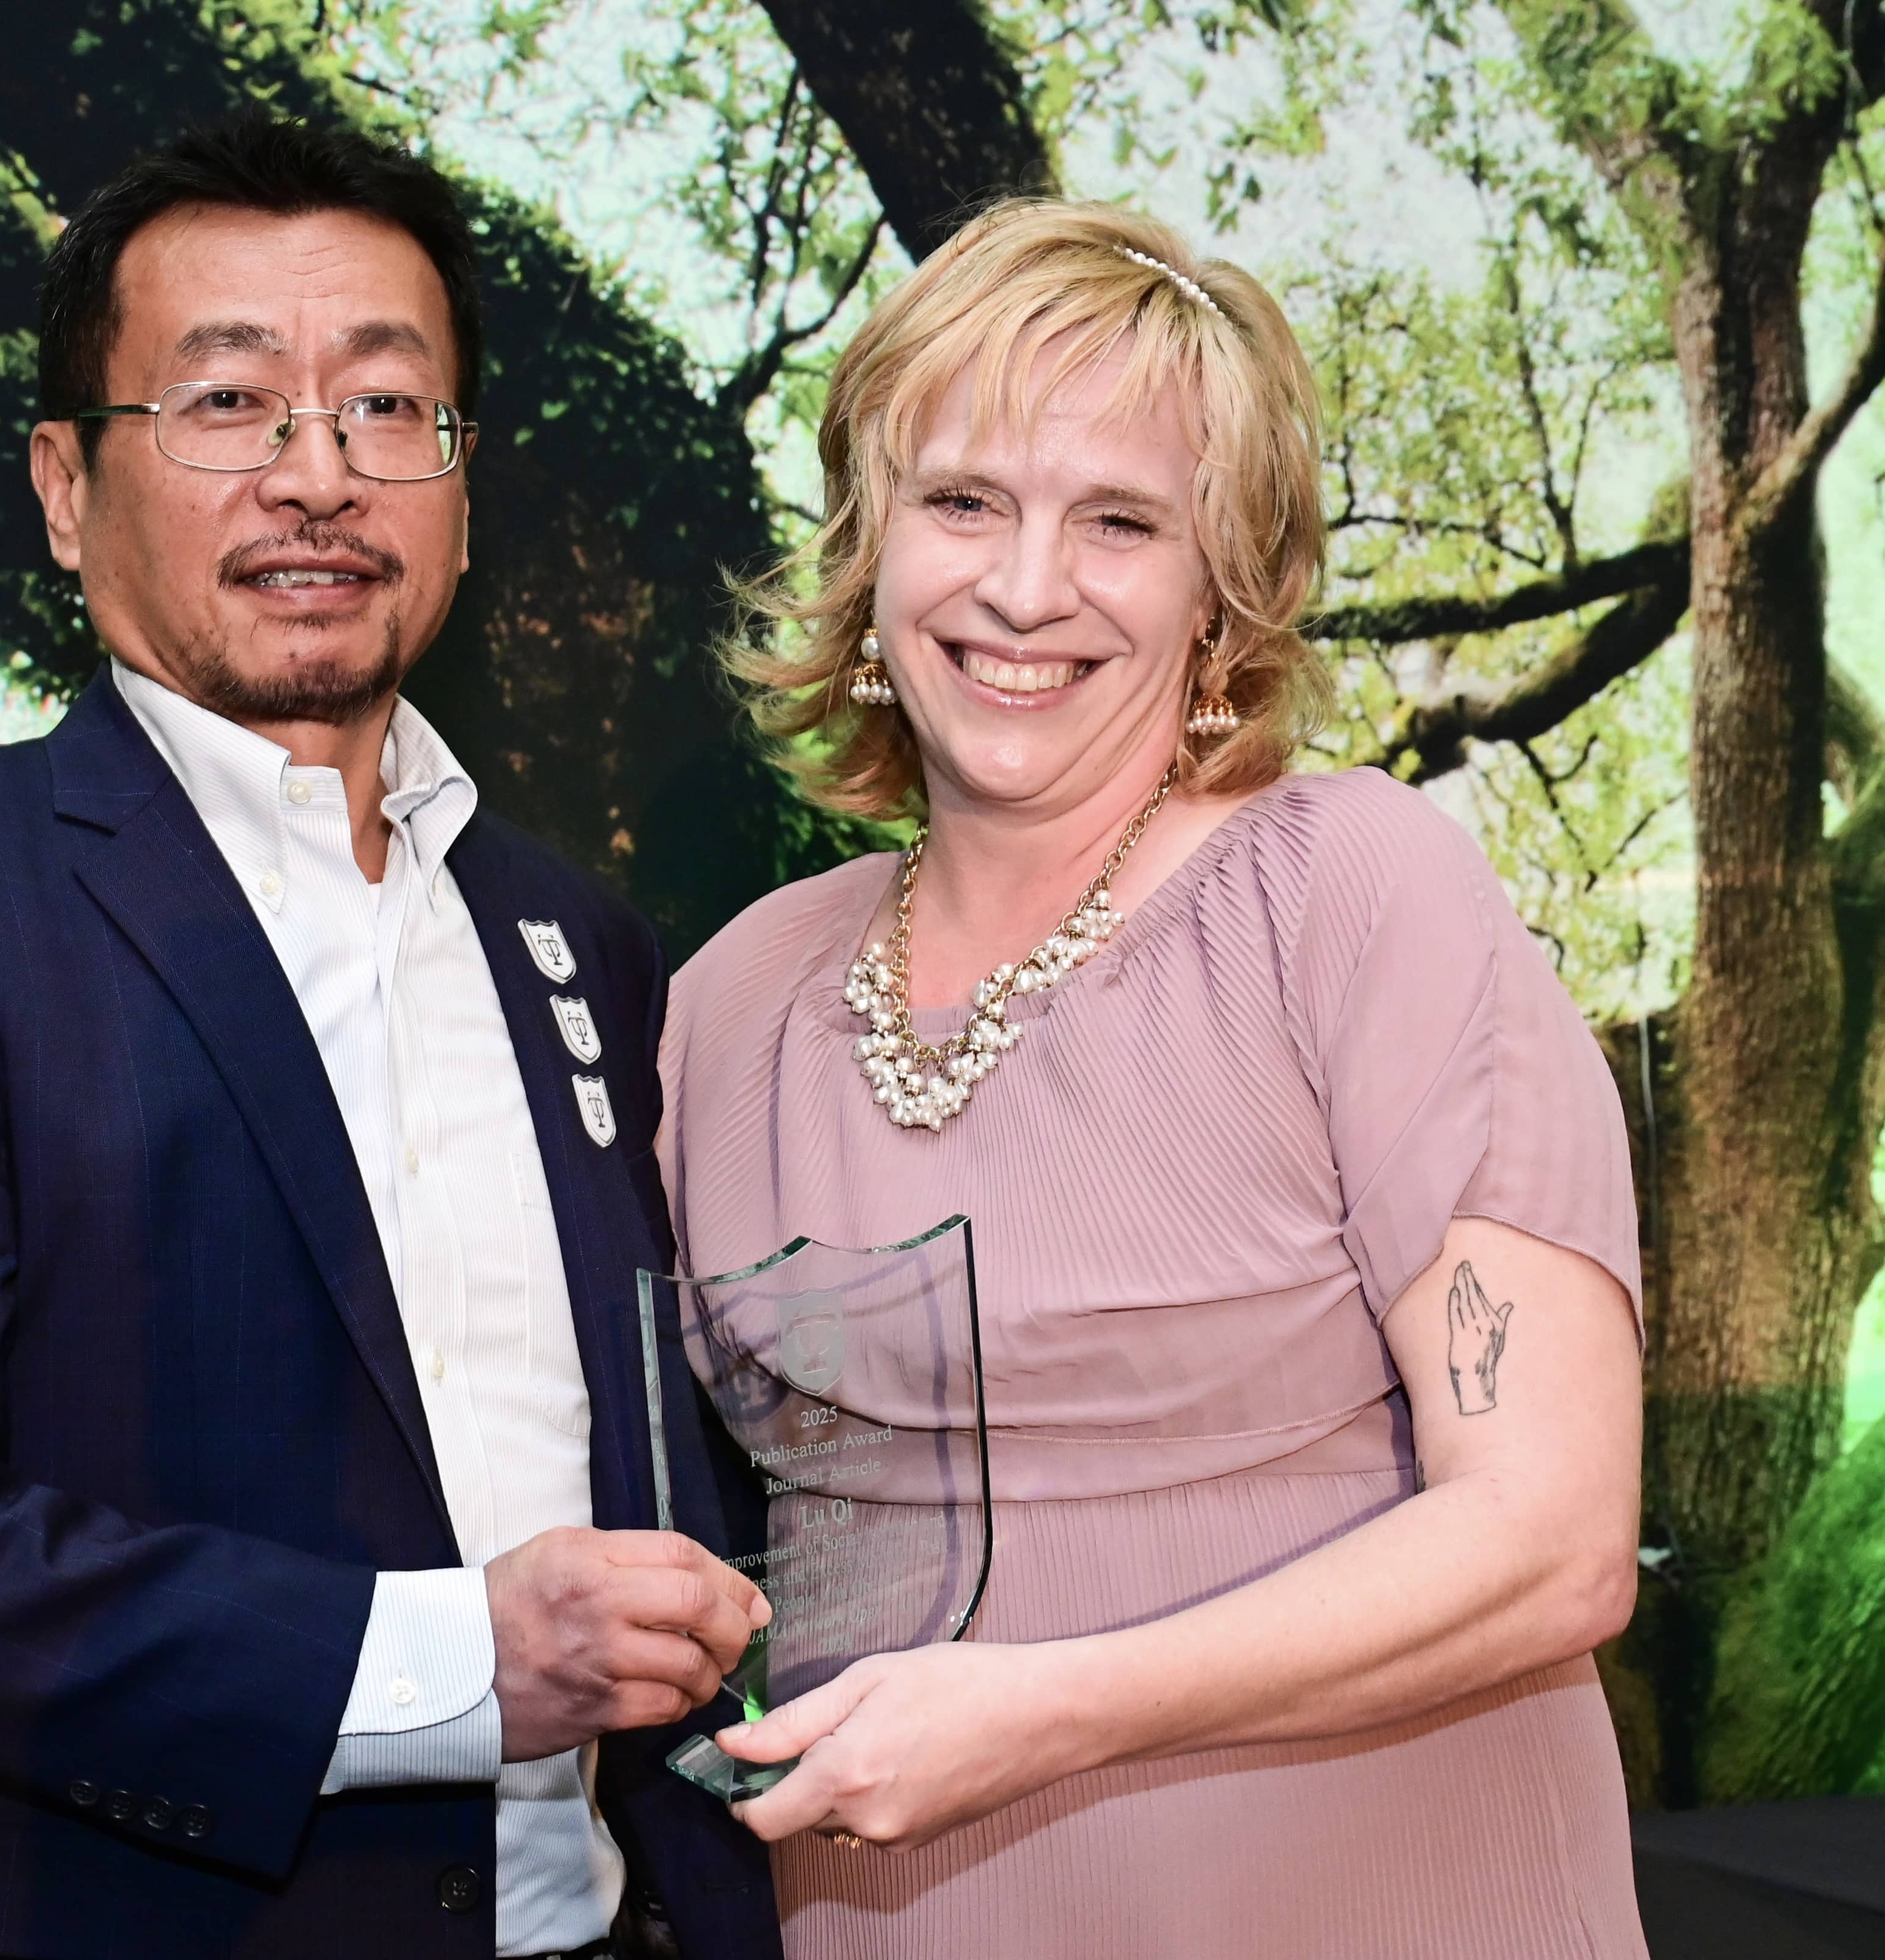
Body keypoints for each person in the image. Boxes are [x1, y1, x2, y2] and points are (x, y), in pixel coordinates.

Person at [0, 115, 781, 1960]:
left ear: (459, 478)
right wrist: (452, 1665)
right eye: (226, 405)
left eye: (385, 410)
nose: (319, 478)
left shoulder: (574, 938)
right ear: (62, 484)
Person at [658, 199, 1648, 1958]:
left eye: (1122, 522)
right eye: (964, 501)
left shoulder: (1353, 892)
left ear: (1221, 589)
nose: (1026, 588)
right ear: (867, 543)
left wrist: (1040, 1710)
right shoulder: (732, 998)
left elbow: (1554, 1536)